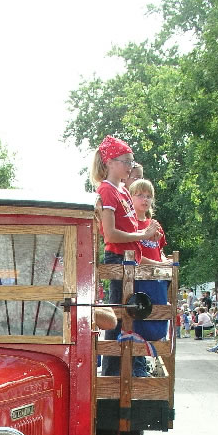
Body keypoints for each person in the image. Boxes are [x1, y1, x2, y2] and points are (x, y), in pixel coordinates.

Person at [90, 135, 162, 376]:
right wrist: (142, 234)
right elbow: (110, 235)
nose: (130, 166)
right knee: (118, 318)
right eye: (126, 161)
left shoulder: (121, 190)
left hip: (130, 260)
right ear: (110, 162)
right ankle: (111, 374)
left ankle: (128, 369)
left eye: (131, 161)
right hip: (119, 260)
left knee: (130, 316)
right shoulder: (107, 191)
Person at [128, 178, 170, 344]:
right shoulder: (131, 226)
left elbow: (159, 251)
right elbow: (133, 255)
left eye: (148, 196)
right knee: (140, 316)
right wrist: (159, 264)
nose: (145, 199)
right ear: (130, 198)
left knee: (159, 314)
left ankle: (154, 348)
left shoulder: (155, 225)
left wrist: (166, 263)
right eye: (140, 195)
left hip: (157, 279)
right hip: (140, 279)